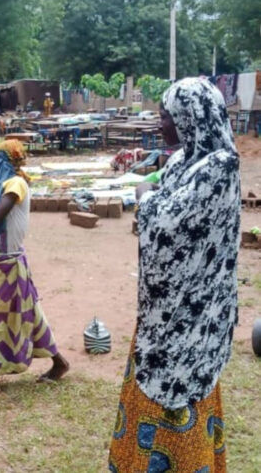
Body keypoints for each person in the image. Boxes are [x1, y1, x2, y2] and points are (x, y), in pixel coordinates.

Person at [108, 78, 240, 471]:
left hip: (192, 326)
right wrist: (150, 203)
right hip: (160, 320)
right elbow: (161, 213)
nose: (160, 124)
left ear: (190, 116)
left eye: (166, 116)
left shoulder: (219, 167)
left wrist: (145, 202)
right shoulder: (185, 160)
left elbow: (164, 226)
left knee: (180, 406)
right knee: (146, 401)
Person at [0, 141, 69, 397]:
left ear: (2, 161)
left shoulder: (15, 185)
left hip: (9, 266)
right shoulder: (4, 187)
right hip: (1, 263)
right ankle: (59, 362)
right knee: (29, 314)